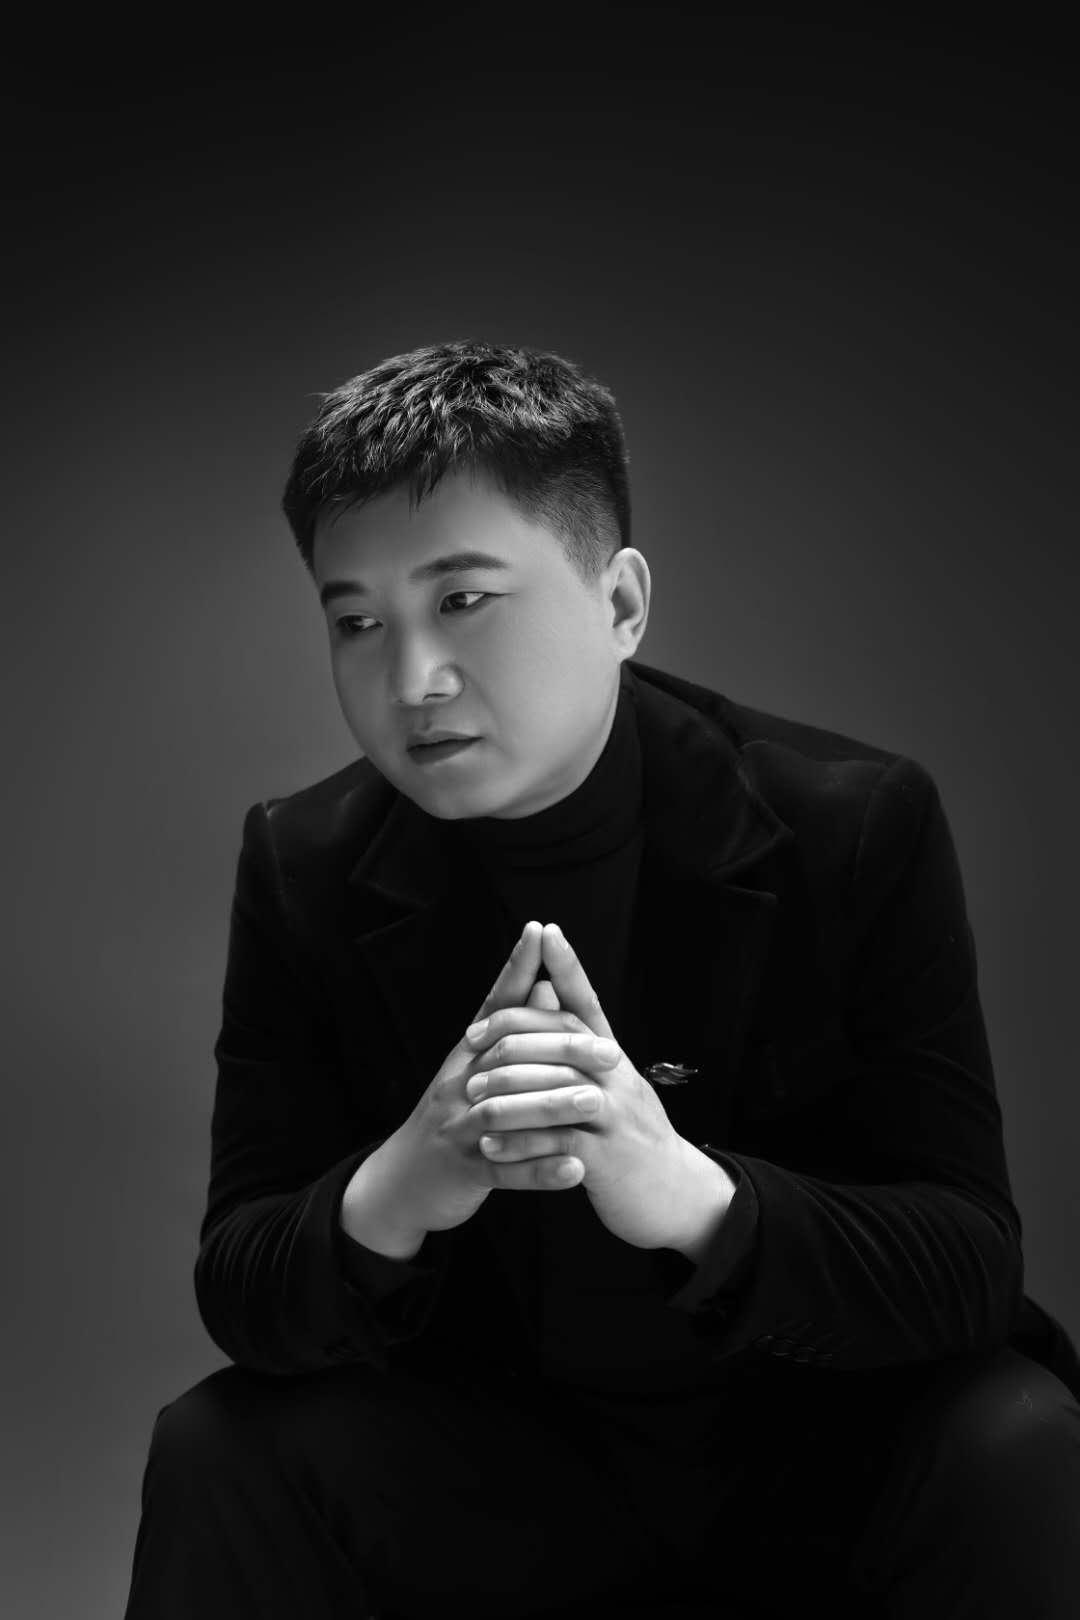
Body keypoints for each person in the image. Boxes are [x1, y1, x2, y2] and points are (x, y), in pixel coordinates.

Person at [123, 340, 1080, 1620]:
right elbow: (243, 1284)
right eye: (357, 622)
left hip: (816, 1451)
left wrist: (683, 1188)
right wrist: (408, 1177)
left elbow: (967, 1262)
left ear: (621, 604)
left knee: (1014, 1432)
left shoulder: (850, 825)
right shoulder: (304, 862)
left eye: (466, 599)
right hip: (496, 1481)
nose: (412, 680)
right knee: (219, 1446)